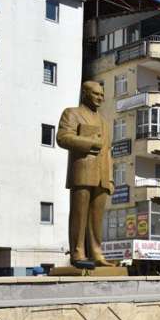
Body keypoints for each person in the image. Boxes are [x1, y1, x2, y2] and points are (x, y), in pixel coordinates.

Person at [57, 81, 114, 269]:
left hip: (102, 174)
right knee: (79, 215)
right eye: (96, 94)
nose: (100, 98)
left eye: (102, 95)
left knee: (97, 218)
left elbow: (108, 152)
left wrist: (110, 178)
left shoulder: (105, 122)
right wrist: (90, 143)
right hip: (82, 170)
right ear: (85, 93)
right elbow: (63, 137)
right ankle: (77, 252)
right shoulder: (72, 113)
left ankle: (97, 253)